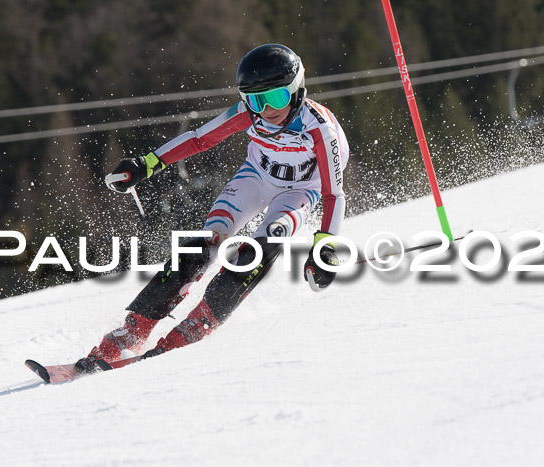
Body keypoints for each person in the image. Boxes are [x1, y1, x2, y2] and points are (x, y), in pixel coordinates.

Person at [75, 43, 350, 372]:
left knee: (262, 246)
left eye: (276, 97)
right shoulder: (248, 115)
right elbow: (199, 138)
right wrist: (144, 165)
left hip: (301, 191)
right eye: (256, 100)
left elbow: (335, 194)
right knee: (210, 239)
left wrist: (325, 248)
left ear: (296, 90)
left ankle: (196, 325)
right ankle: (134, 330)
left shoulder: (319, 129)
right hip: (257, 177)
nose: (266, 110)